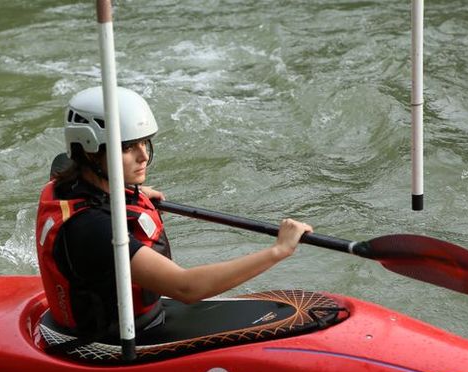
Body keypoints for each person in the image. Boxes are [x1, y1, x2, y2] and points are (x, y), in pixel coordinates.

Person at [36, 86, 313, 341]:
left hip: (131, 317)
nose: (143, 156)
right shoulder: (92, 229)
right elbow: (186, 288)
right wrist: (278, 251)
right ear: (89, 152)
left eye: (144, 143)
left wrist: (124, 193)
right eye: (127, 147)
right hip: (114, 342)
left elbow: (66, 169)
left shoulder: (69, 182)